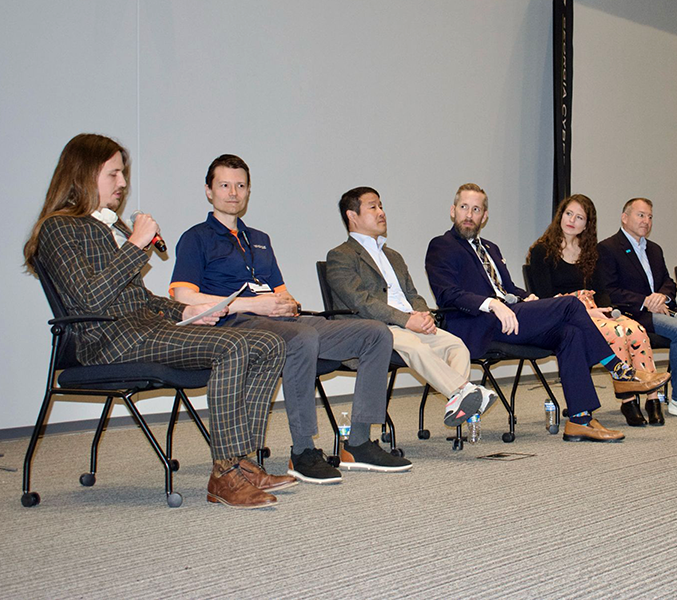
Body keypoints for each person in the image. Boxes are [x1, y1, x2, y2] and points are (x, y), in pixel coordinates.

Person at [24, 134, 293, 510]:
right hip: (107, 339)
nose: (122, 184)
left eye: (123, 175)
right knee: (233, 345)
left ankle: (243, 460)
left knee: (269, 343)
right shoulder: (61, 229)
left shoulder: (110, 227)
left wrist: (185, 313)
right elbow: (88, 300)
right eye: (113, 174)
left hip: (144, 328)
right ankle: (225, 472)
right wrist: (136, 245)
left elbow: (138, 298)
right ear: (84, 174)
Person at [170, 155, 411, 482]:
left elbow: (281, 294)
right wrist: (252, 306)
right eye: (224, 185)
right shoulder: (196, 238)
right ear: (209, 191)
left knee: (375, 333)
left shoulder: (259, 239)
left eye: (240, 185)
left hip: (278, 321)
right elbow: (183, 296)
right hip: (233, 326)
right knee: (302, 339)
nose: (233, 193)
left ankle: (359, 442)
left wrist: (286, 303)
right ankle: (302, 451)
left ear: (248, 191)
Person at [425, 183, 669, 443]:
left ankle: (580, 420)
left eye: (476, 209)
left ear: (484, 216)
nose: (469, 214)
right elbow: (447, 294)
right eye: (464, 207)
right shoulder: (442, 245)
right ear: (453, 211)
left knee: (571, 333)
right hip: (478, 324)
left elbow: (507, 288)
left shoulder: (491, 249)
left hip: (510, 318)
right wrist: (491, 304)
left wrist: (524, 297)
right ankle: (619, 370)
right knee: (571, 305)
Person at [326, 187, 498, 428]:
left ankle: (457, 400)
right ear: (352, 216)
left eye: (381, 206)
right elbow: (360, 302)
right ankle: (464, 391)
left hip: (407, 326)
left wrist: (423, 315)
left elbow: (412, 294)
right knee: (415, 346)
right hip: (372, 330)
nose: (381, 212)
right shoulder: (340, 256)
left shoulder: (393, 256)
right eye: (373, 207)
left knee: (456, 345)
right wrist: (406, 320)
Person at [527, 194, 670, 427]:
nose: (572, 220)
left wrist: (609, 310)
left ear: (587, 224)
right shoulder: (541, 252)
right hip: (564, 314)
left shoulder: (589, 251)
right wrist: (585, 312)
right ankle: (628, 400)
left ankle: (652, 398)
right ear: (560, 216)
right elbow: (544, 298)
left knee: (635, 329)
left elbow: (601, 289)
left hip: (594, 310)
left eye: (579, 217)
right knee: (617, 334)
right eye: (568, 214)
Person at [598, 198, 677, 419]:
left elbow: (668, 282)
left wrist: (662, 296)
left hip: (663, 309)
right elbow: (610, 290)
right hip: (634, 314)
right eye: (640, 215)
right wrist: (646, 301)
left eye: (650, 217)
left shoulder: (654, 249)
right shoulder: (608, 248)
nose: (646, 221)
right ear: (624, 217)